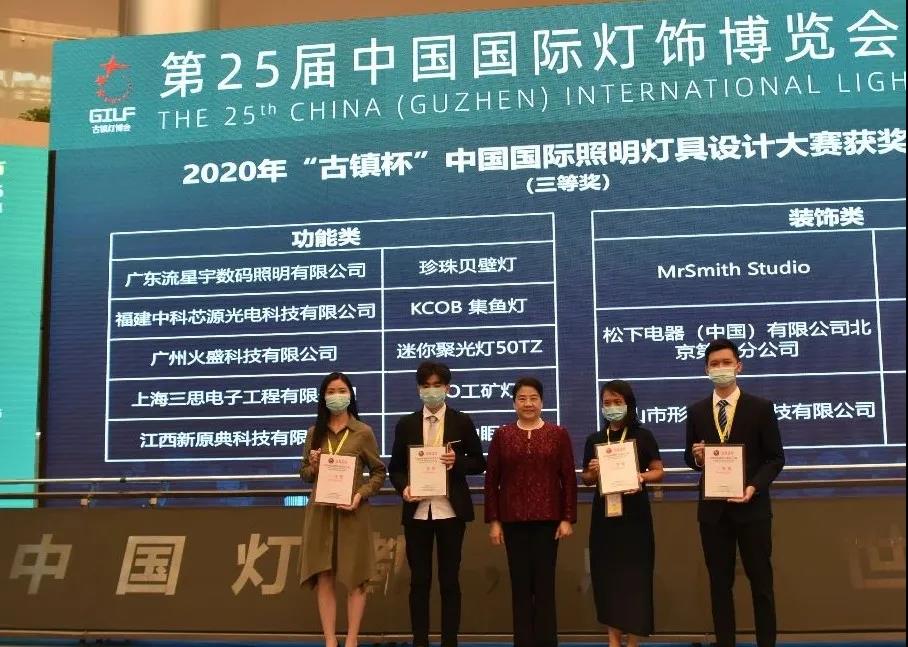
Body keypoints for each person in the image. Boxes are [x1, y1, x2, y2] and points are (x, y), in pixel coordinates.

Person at [684, 339, 785, 647]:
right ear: (706, 370)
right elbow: (690, 457)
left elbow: (775, 458)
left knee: (761, 583)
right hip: (713, 512)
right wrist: (698, 458)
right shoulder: (697, 411)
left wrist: (753, 486)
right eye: (714, 364)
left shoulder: (761, 408)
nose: (721, 369)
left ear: (739, 366)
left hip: (752, 508)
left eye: (726, 362)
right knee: (719, 585)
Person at [388, 361, 487, 647]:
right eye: (426, 386)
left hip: (450, 511)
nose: (431, 391)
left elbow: (479, 462)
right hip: (417, 511)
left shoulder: (461, 421)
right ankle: (420, 641)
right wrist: (404, 488)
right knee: (419, 581)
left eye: (437, 385)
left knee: (449, 580)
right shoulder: (406, 424)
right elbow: (395, 468)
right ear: (419, 389)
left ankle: (449, 642)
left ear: (447, 388)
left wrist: (458, 462)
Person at [485, 376, 577, 647]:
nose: (528, 403)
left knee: (545, 587)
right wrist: (494, 521)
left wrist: (567, 517)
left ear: (542, 402)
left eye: (533, 398)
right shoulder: (502, 435)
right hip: (512, 521)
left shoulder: (558, 434)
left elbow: (568, 478)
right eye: (522, 398)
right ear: (514, 403)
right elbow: (491, 480)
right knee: (520, 588)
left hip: (548, 521)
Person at [299, 372, 387, 647]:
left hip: (352, 512)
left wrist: (360, 495)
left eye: (341, 391)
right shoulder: (314, 433)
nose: (336, 396)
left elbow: (378, 472)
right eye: (331, 391)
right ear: (323, 397)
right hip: (321, 513)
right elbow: (304, 474)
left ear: (350, 395)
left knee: (356, 577)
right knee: (324, 575)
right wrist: (314, 465)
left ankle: (351, 639)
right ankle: (330, 640)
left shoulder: (363, 432)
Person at [580, 380, 664, 647]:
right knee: (607, 576)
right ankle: (613, 639)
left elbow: (658, 471)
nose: (612, 407)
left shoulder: (643, 436)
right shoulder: (594, 439)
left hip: (635, 517)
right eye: (607, 403)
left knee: (635, 577)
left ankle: (633, 640)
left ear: (628, 404)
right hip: (605, 517)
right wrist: (593, 472)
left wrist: (641, 477)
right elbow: (586, 479)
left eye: (617, 402)